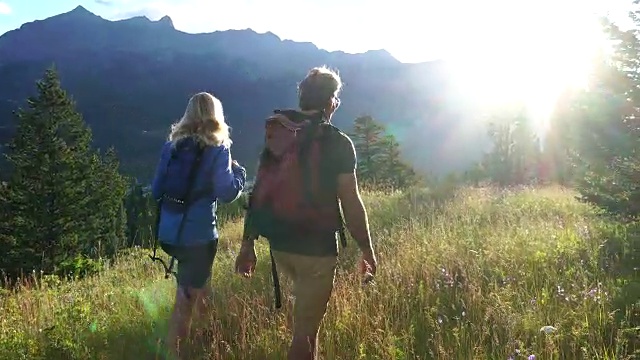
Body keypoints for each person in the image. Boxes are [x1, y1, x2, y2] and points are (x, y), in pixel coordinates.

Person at [235, 66, 378, 360]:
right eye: (335, 98)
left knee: (306, 326)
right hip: (316, 250)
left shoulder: (280, 133)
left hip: (281, 245)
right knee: (305, 333)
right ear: (330, 103)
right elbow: (350, 202)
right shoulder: (338, 142)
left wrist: (247, 244)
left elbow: (260, 191)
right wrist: (367, 249)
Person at [151, 92, 246, 359]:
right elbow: (226, 192)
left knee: (197, 287)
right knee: (188, 296)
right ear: (216, 115)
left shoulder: (171, 147)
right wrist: (239, 173)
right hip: (200, 235)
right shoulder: (218, 148)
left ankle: (203, 343)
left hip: (170, 235)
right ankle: (181, 351)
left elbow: (156, 190)